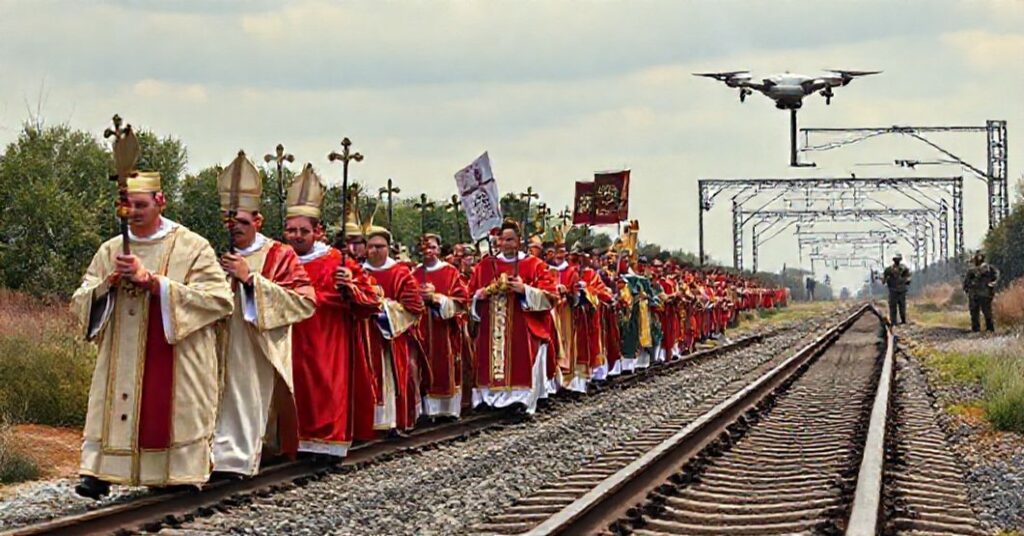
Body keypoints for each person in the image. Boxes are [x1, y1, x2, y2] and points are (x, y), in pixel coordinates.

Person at [71, 170, 233, 499]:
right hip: (122, 351)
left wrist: (154, 283)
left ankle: (180, 473)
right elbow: (80, 299)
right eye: (127, 205)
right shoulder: (111, 249)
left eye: (141, 204)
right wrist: (109, 284)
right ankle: (101, 472)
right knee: (110, 404)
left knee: (173, 413)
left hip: (175, 352)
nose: (133, 212)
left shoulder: (192, 246)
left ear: (161, 201)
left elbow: (219, 299)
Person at [212, 151, 316, 477]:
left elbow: (305, 301)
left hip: (259, 345)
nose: (236, 228)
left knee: (244, 398)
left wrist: (250, 280)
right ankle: (217, 458)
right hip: (221, 342)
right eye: (230, 222)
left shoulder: (279, 254)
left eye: (242, 222)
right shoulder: (217, 254)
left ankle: (239, 460)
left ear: (258, 221)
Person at [283, 165, 380, 459]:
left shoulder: (337, 260)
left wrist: (349, 287)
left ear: (318, 231)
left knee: (323, 386)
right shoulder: (279, 256)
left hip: (327, 336)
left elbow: (371, 300)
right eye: (291, 230)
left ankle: (327, 443)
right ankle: (293, 441)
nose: (296, 236)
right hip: (290, 335)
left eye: (303, 231)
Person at [468, 220, 557, 414]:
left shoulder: (534, 265)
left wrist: (524, 290)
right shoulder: (486, 265)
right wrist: (479, 295)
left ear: (519, 241)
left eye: (510, 239)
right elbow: (470, 294)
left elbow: (551, 296)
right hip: (491, 325)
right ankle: (487, 398)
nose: (505, 244)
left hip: (521, 324)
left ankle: (520, 399)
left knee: (520, 356)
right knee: (488, 357)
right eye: (502, 239)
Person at [362, 223, 425, 434]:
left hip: (391, 337)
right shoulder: (359, 271)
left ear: (388, 247)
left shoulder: (400, 273)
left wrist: (385, 310)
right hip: (364, 335)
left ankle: (392, 422)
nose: (374, 251)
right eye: (370, 246)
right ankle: (367, 423)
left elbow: (415, 307)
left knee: (392, 379)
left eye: (379, 246)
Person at [413, 234, 469, 419]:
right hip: (420, 328)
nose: (428, 251)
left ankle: (446, 409)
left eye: (432, 247)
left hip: (443, 328)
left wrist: (437, 298)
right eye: (424, 247)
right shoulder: (414, 273)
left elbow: (462, 300)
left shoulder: (450, 272)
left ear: (438, 249)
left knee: (443, 364)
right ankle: (425, 409)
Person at [963, 252, 1000, 333]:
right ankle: (976, 329)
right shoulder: (972, 271)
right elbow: (966, 281)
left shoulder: (989, 268)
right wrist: (967, 288)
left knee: (986, 312)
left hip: (984, 293)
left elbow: (996, 277)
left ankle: (989, 329)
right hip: (976, 294)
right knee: (975, 313)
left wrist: (992, 284)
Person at [882, 253, 911, 325]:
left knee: (901, 306)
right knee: (894, 306)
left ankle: (902, 320)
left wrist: (906, 280)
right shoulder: (889, 270)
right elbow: (884, 280)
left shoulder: (904, 268)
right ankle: (894, 321)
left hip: (900, 290)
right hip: (893, 290)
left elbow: (908, 278)